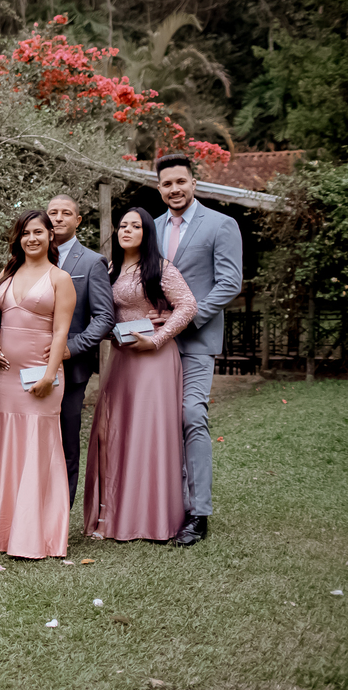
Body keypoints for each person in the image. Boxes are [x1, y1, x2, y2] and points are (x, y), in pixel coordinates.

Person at [85, 207, 197, 542]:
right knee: (114, 432)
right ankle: (113, 513)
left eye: (135, 226)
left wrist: (159, 337)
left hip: (154, 358)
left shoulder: (160, 268)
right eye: (122, 225)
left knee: (149, 432)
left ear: (147, 233)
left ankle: (152, 518)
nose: (127, 230)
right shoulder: (109, 269)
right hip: (122, 358)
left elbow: (188, 305)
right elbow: (103, 315)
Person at [0, 210, 76, 559]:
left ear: (50, 236)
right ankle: (1, 532)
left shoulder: (60, 278)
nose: (31, 238)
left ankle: (36, 535)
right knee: (8, 444)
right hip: (6, 376)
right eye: (25, 233)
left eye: (38, 232)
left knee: (38, 446)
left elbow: (61, 331)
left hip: (41, 376)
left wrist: (50, 374)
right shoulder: (6, 274)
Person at [154, 154, 243, 546]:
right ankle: (165, 506)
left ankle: (198, 513)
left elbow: (230, 283)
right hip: (155, 344)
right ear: (159, 188)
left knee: (192, 415)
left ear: (194, 182)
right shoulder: (151, 227)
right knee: (161, 423)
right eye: (167, 183)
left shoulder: (221, 225)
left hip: (196, 339)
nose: (174, 189)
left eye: (180, 181)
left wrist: (187, 318)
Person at [45, 195, 115, 507]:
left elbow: (104, 318)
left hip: (70, 369)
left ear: (78, 220)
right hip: (29, 364)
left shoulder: (91, 262)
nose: (58, 218)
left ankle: (60, 513)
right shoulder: (31, 257)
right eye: (53, 213)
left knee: (66, 443)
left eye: (66, 213)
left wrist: (70, 349)